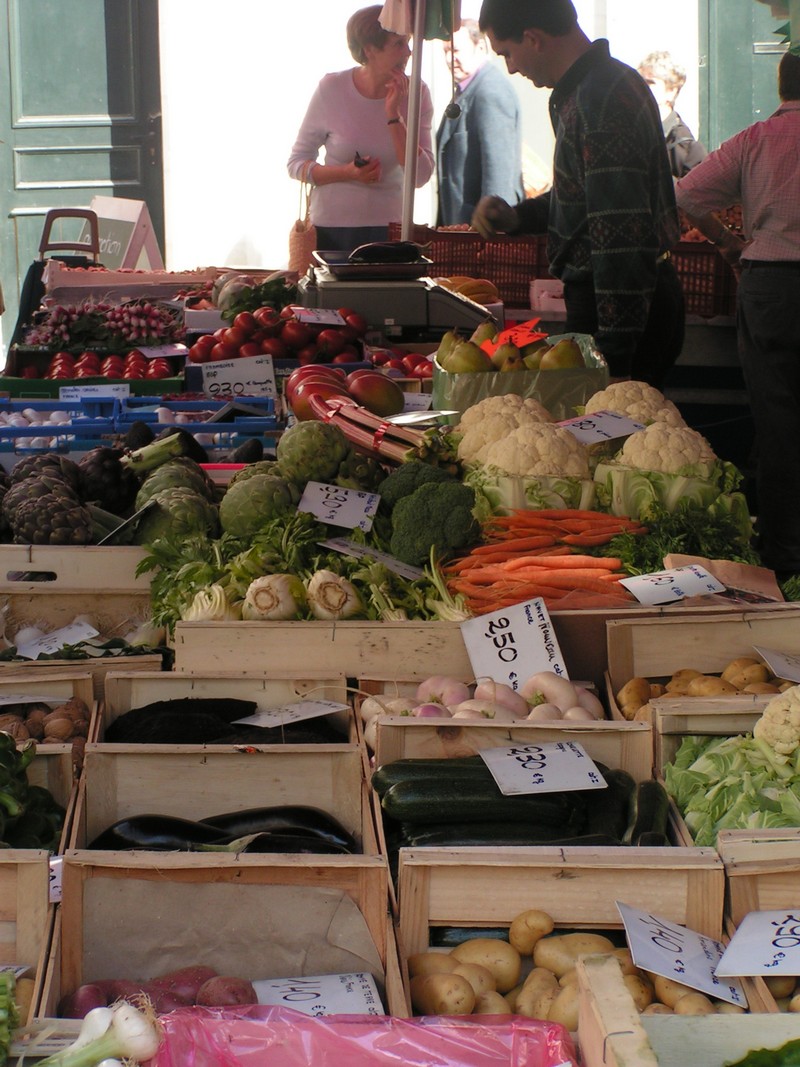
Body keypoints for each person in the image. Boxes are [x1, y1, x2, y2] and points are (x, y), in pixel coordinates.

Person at [471, 0, 684, 388]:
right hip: (628, 302)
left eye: (507, 53)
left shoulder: (598, 101)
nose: (511, 67)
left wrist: (615, 358)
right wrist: (520, 217)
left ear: (533, 38)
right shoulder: (597, 87)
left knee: (609, 438)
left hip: (620, 309)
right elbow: (593, 201)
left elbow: (621, 234)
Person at [675, 51, 800, 580]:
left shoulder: (754, 140)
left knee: (779, 426)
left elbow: (684, 193)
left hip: (772, 289)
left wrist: (727, 241)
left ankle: (788, 563)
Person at [287, 5, 434, 255]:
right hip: (331, 228)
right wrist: (347, 173)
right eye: (398, 44)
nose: (408, 52)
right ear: (369, 50)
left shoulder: (417, 93)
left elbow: (419, 176)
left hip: (391, 229)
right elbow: (296, 164)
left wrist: (394, 116)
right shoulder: (331, 88)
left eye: (408, 43)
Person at [436, 19, 525, 225]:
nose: (450, 59)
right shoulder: (467, 89)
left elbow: (499, 173)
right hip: (464, 228)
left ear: (481, 47)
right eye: (445, 51)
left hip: (481, 232)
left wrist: (493, 230)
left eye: (456, 50)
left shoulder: (490, 91)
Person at [637, 51, 707, 178]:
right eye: (639, 82)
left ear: (671, 91)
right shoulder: (628, 133)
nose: (640, 88)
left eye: (650, 83)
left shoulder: (689, 151)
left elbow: (694, 197)